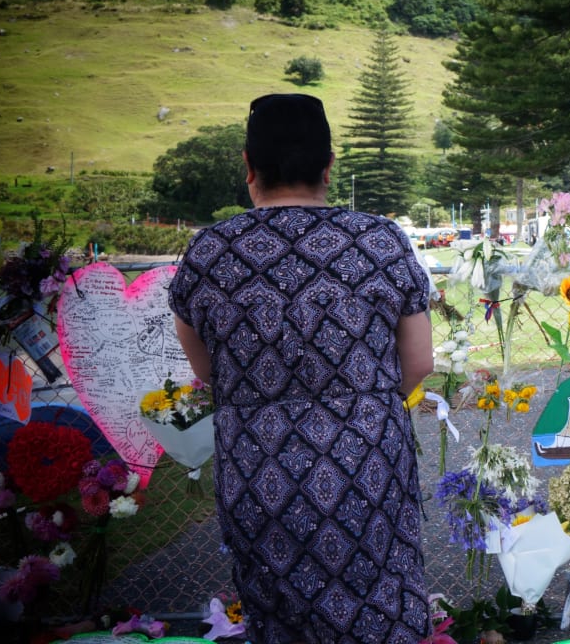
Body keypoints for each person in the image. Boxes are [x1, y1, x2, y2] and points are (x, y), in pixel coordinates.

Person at [168, 93, 434, 644]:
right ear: (328, 165)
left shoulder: (209, 252)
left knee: (277, 616)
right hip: (368, 465)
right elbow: (419, 362)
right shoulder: (380, 240)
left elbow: (207, 370)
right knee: (380, 611)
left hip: (258, 473)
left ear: (248, 167)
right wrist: (361, 400)